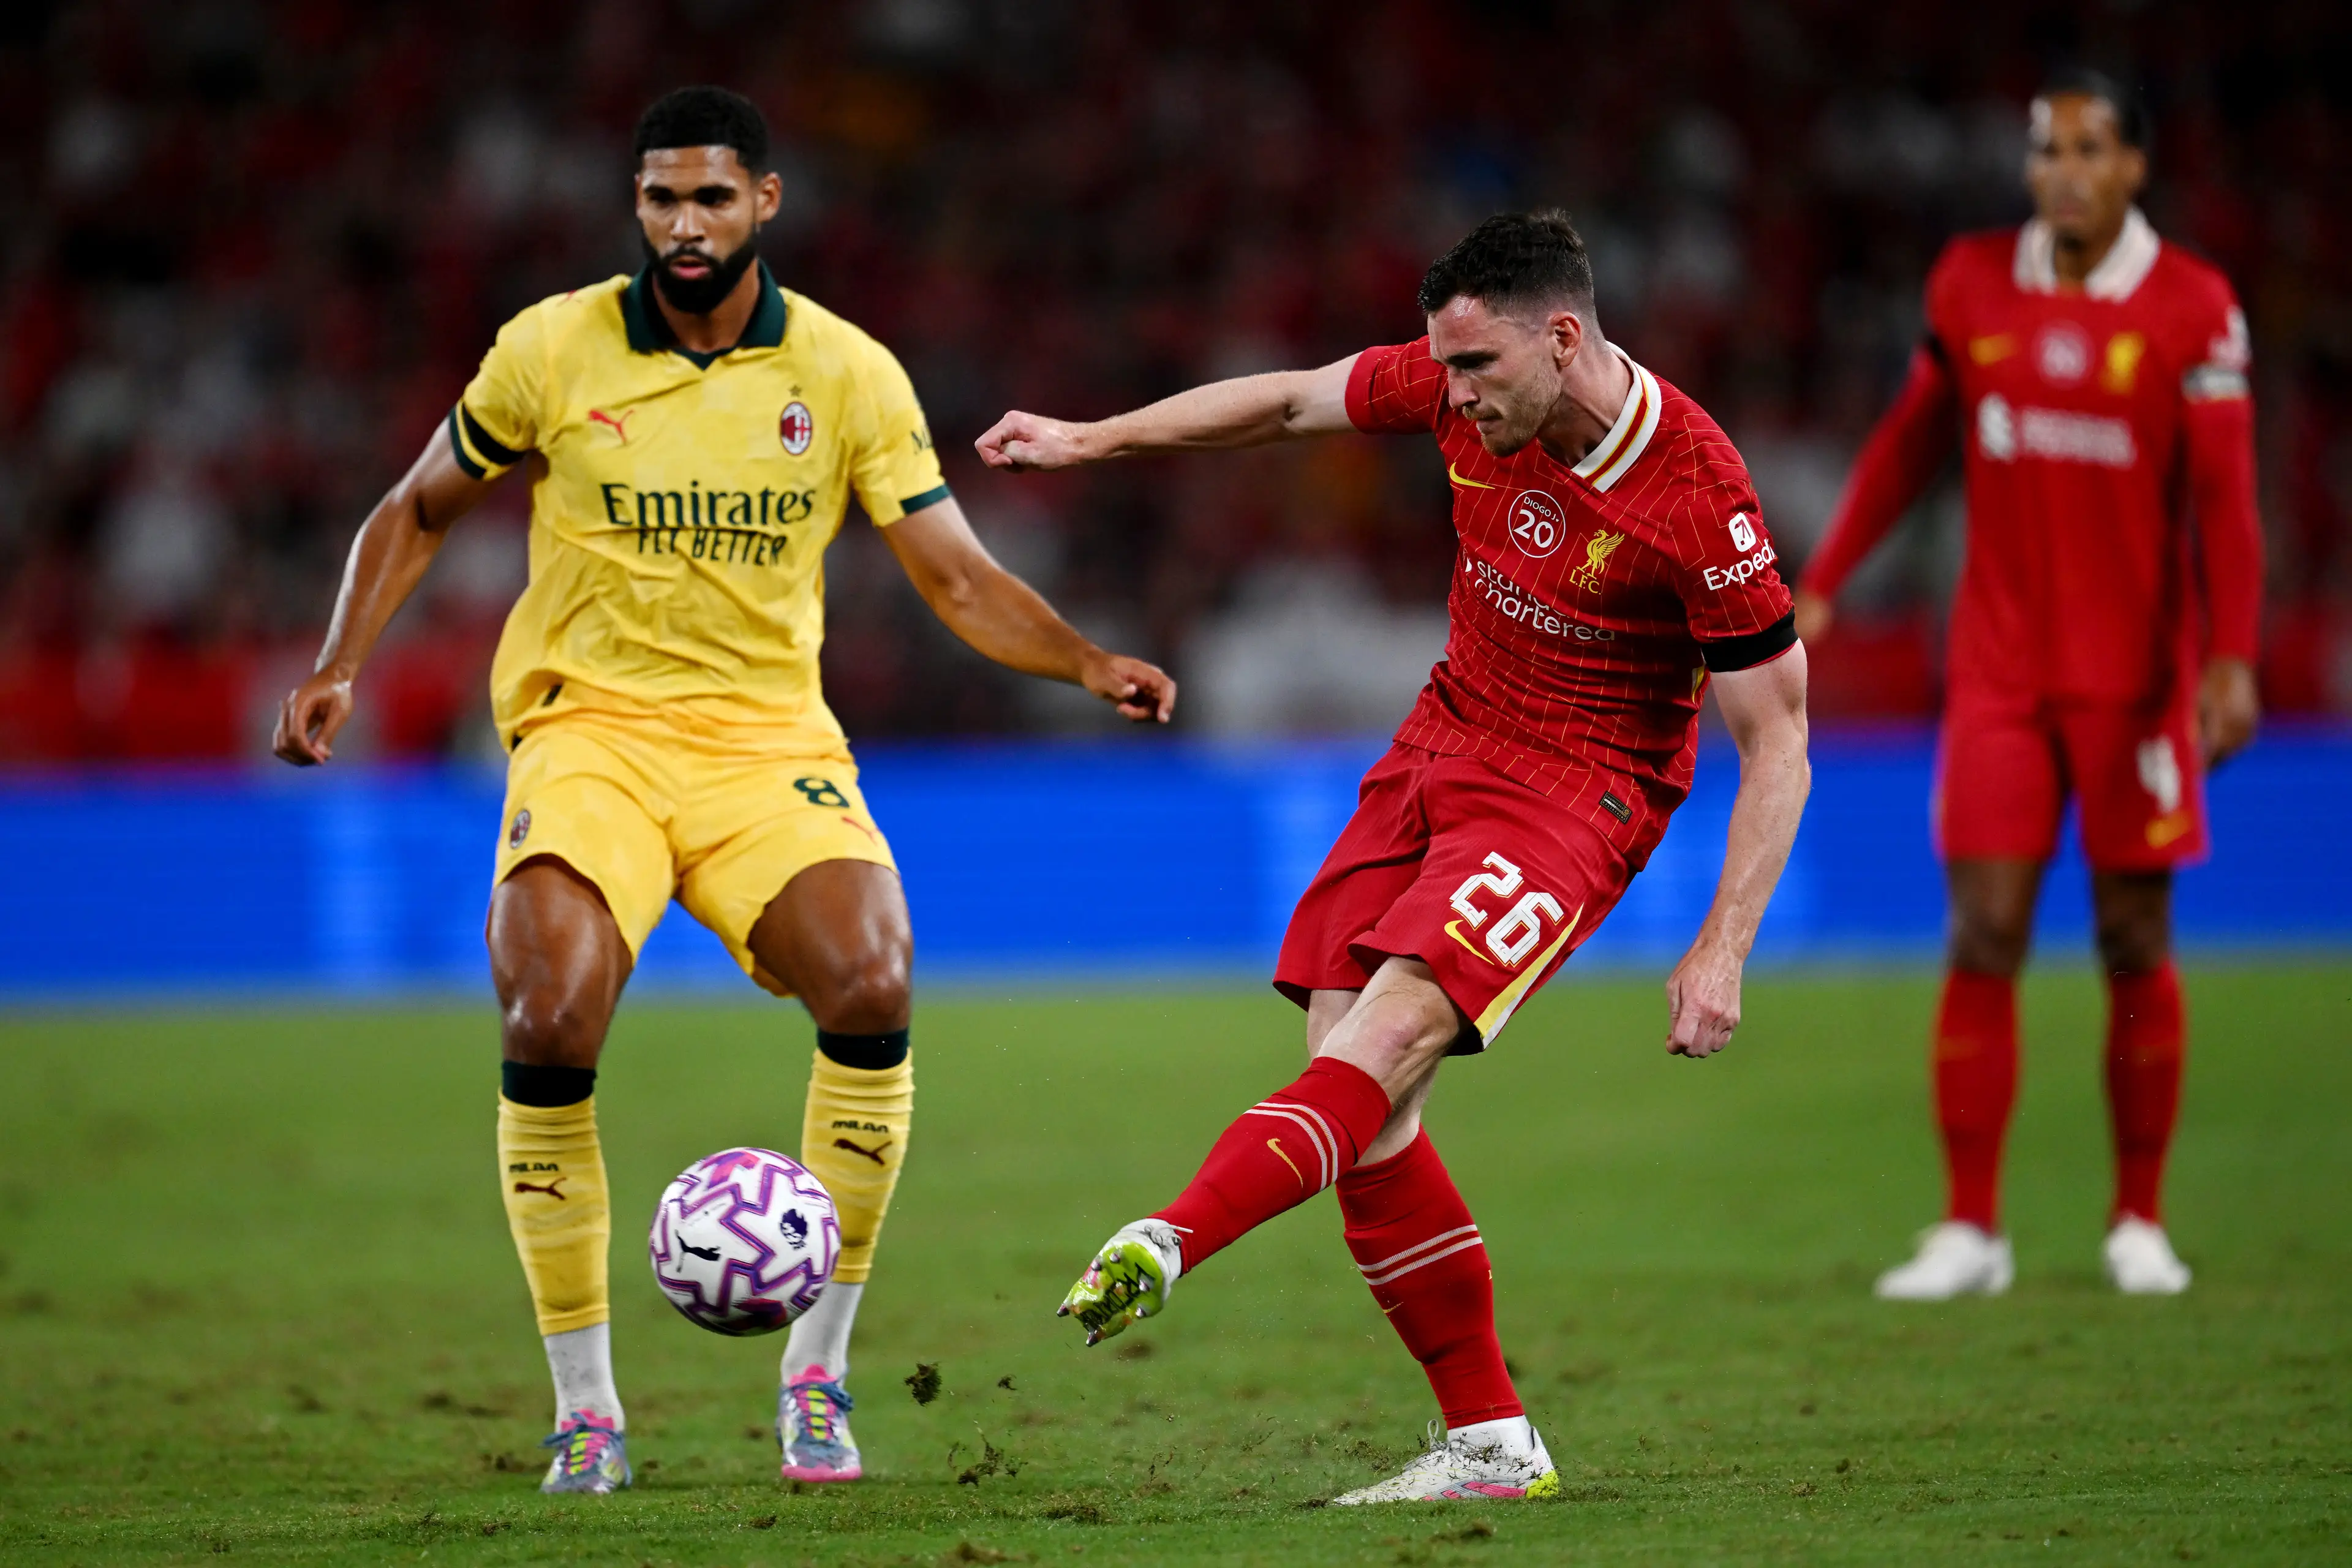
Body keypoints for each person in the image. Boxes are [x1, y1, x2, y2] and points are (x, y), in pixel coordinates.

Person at [272, 86, 1175, 1494]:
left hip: (766, 748)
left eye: (708, 198)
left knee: (873, 978)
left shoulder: (848, 372)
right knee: (549, 1008)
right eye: (657, 199)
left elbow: (949, 571)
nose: (681, 226)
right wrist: (341, 664)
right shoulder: (551, 346)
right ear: (636, 209)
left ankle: (815, 1374)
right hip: (590, 736)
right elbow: (418, 506)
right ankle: (586, 1408)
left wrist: (1081, 659)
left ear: (766, 202)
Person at [976, 211, 1811, 1504]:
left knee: (1387, 1042)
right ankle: (1489, 1440)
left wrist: (1722, 944)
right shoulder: (1460, 377)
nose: (1453, 395)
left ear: (1565, 337)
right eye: (1444, 368)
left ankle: (1170, 1237)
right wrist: (1097, 437)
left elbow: (1782, 739)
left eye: (1476, 371)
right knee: (1354, 1098)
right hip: (1440, 742)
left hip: (1575, 794)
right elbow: (1292, 403)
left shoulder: (1699, 495)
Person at [1795, 72, 2261, 1300]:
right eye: (2045, 147)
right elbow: (1910, 439)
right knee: (1986, 928)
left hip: (2136, 681)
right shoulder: (1971, 282)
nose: (2061, 168)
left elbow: (2227, 504)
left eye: (2089, 148)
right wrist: (1828, 577)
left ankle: (2138, 1218)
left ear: (2134, 169)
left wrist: (2231, 660)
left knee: (2131, 934)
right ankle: (1969, 1229)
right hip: (2000, 672)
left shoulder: (2195, 309)